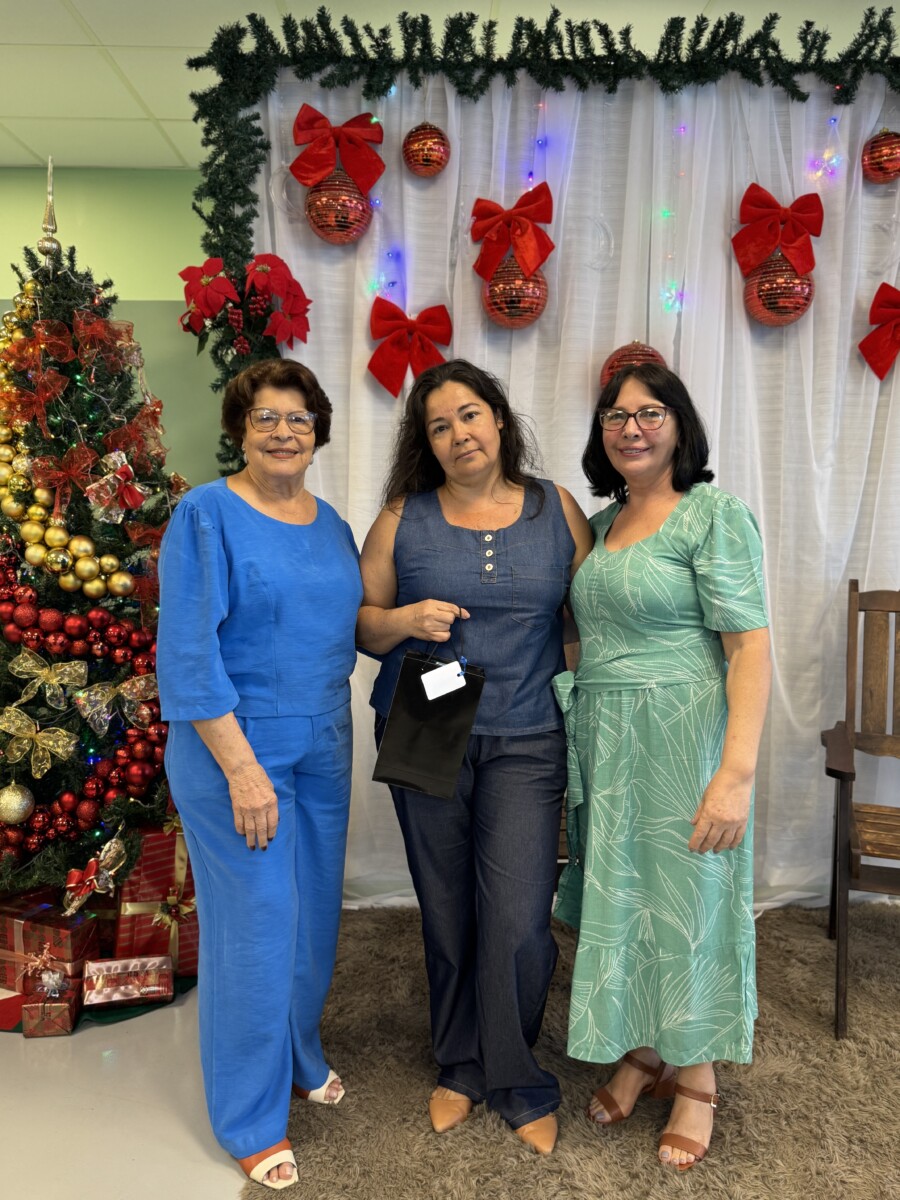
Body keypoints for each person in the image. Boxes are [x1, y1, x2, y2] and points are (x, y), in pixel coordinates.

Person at [356, 359, 593, 1156]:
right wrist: (405, 620)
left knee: (519, 919)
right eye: (439, 425)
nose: (459, 434)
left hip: (528, 731)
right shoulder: (404, 516)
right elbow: (362, 623)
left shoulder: (556, 509)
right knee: (448, 906)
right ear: (426, 443)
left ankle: (517, 1076)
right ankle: (460, 1063)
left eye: (469, 414)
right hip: (428, 716)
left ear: (498, 419)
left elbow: (590, 617)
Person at [553, 363, 771, 1171]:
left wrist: (735, 775)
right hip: (609, 742)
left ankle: (697, 1076)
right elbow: (578, 634)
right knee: (628, 899)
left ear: (680, 424)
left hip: (686, 738)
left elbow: (749, 648)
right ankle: (645, 1051)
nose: (631, 428)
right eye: (615, 416)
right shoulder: (601, 525)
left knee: (689, 902)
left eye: (650, 412)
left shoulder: (713, 515)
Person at [157, 358, 362, 1190]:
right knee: (257, 928)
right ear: (241, 430)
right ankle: (248, 1115)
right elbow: (187, 653)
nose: (283, 432)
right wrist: (243, 770)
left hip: (327, 740)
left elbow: (349, 624)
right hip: (235, 749)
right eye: (266, 418)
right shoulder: (205, 514)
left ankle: (298, 1054)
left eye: (298, 419)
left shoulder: (332, 524)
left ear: (318, 433)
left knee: (312, 919)